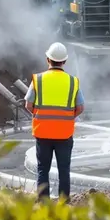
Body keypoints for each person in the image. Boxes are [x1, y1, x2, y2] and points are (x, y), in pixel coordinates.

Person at [25, 42, 83, 201]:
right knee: (64, 170)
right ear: (64, 61)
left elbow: (28, 104)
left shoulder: (38, 80)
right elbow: (80, 107)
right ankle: (64, 202)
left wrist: (39, 115)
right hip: (64, 134)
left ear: (47, 59)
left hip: (42, 132)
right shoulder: (73, 82)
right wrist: (67, 118)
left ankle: (43, 202)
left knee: (43, 169)